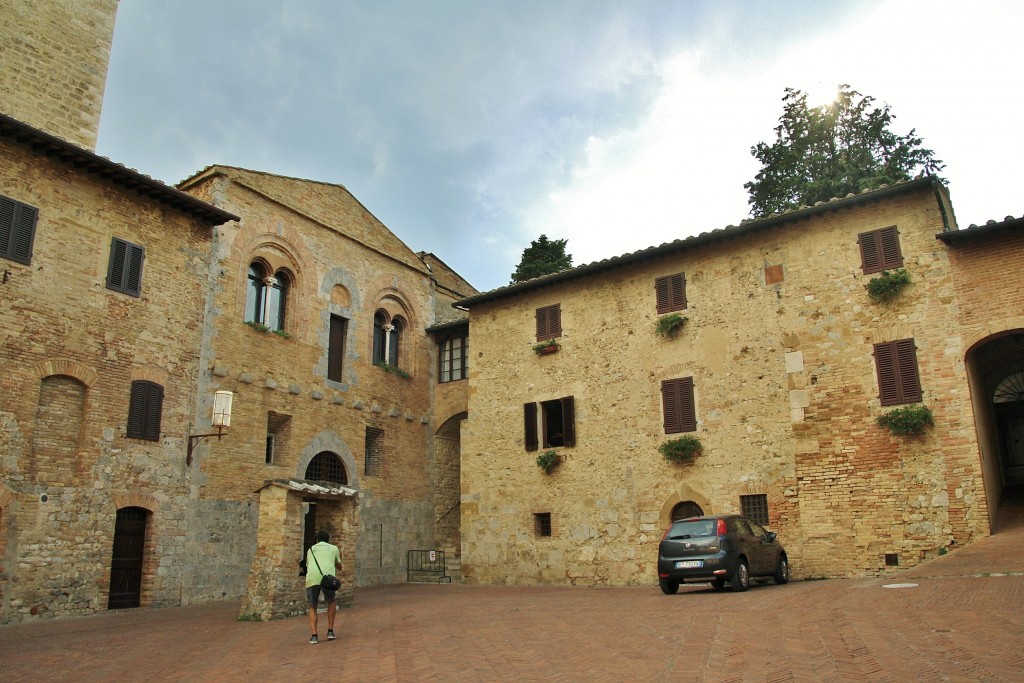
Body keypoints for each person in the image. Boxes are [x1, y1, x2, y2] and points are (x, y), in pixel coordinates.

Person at [304, 529, 342, 644]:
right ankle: (330, 631)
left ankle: (314, 636)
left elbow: (308, 565)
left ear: (317, 540)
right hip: (327, 579)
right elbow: (339, 566)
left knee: (312, 606)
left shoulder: (311, 549)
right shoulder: (333, 548)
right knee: (331, 601)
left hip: (312, 578)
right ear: (328, 539)